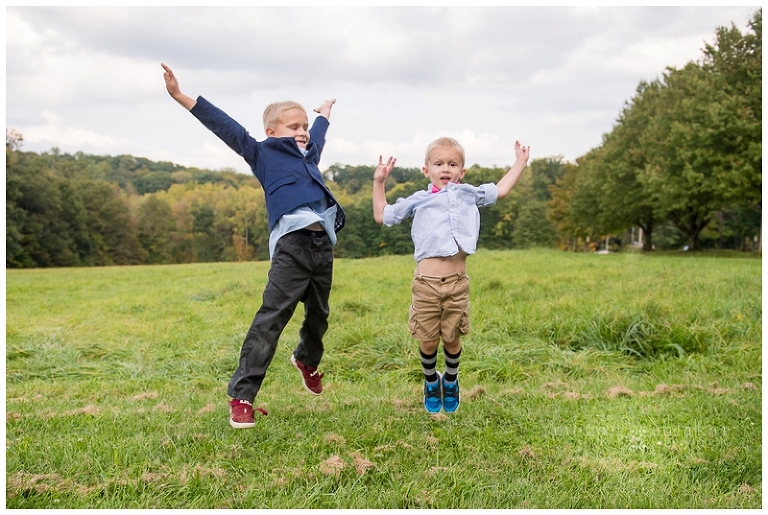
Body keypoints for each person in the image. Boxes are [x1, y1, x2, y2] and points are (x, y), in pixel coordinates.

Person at [162, 63, 345, 429]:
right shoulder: (263, 154)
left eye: (304, 127)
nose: (302, 132)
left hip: (322, 245)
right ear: (271, 132)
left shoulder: (309, 154)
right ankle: (242, 397)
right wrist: (181, 96)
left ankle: (306, 360)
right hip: (292, 246)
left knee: (319, 315)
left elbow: (319, 134)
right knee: (271, 320)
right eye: (294, 127)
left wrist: (323, 113)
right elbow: (224, 125)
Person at [372, 137, 530, 413]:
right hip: (426, 285)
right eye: (438, 164)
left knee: (452, 338)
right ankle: (431, 381)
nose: (445, 168)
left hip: (457, 284)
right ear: (426, 170)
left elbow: (501, 190)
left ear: (462, 171)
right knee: (429, 340)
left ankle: (452, 379)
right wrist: (379, 182)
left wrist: (520, 162)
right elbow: (382, 215)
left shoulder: (469, 194)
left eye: (452, 164)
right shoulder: (419, 200)